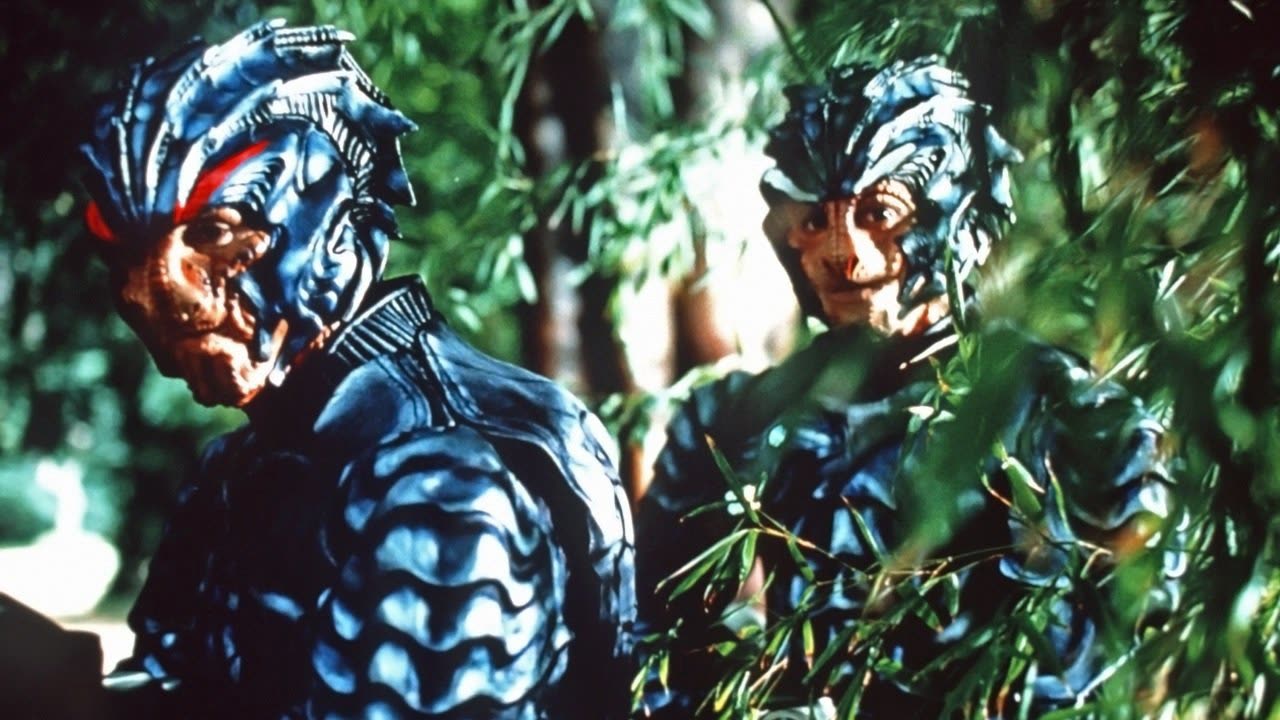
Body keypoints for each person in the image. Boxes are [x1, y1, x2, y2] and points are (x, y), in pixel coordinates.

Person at [76, 20, 635, 718]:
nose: (151, 294)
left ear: (331, 217)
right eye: (125, 256)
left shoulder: (444, 477)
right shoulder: (236, 472)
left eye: (213, 230)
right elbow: (170, 682)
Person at [634, 57, 1183, 717]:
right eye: (814, 221)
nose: (840, 252)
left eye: (877, 212)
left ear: (956, 212)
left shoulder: (1072, 418)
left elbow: (1129, 653)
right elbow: (652, 637)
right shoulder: (734, 420)